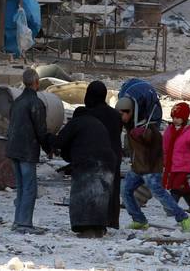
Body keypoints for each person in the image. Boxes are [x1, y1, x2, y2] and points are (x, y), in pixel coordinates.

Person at [117, 96, 190, 232]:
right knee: (125, 190)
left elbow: (153, 139)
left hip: (151, 169)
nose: (120, 117)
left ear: (130, 112)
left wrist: (144, 135)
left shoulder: (147, 126)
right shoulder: (130, 126)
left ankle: (184, 217)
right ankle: (139, 220)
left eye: (122, 114)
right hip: (137, 168)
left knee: (160, 194)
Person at [54, 107, 117, 238]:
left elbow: (59, 141)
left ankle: (86, 229)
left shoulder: (77, 122)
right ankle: (99, 228)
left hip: (88, 163)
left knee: (83, 196)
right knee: (100, 197)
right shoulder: (97, 123)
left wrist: (46, 138)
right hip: (108, 162)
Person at [6, 68, 54, 234]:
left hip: (13, 148)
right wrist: (49, 148)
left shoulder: (17, 101)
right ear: (36, 82)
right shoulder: (36, 103)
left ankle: (18, 221)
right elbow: (41, 131)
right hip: (27, 150)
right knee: (29, 187)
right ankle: (25, 223)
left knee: (21, 186)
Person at [83, 80, 123, 229]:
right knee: (113, 190)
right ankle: (112, 221)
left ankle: (96, 221)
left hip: (96, 156)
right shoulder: (115, 114)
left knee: (95, 190)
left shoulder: (89, 114)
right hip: (114, 155)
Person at [162, 102, 190, 211]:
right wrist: (163, 158)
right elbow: (165, 146)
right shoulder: (169, 130)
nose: (175, 120)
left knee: (176, 186)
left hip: (184, 164)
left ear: (185, 118)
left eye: (178, 118)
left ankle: (171, 208)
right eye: (174, 117)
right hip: (172, 163)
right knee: (183, 186)